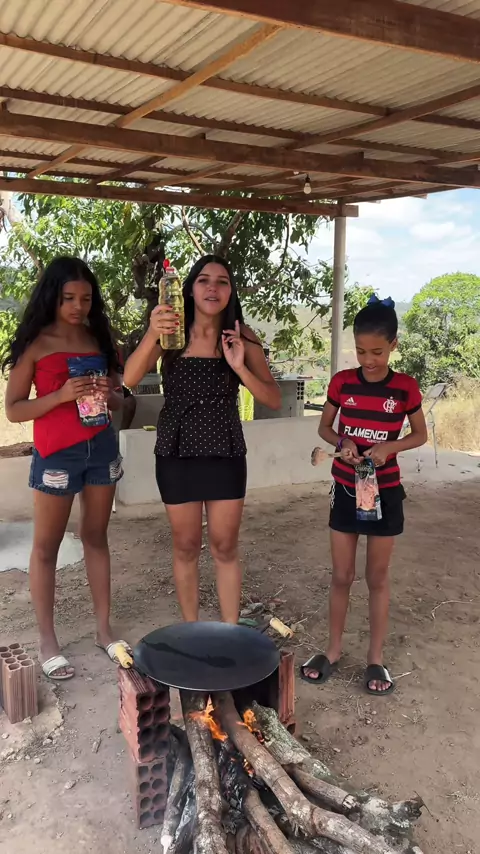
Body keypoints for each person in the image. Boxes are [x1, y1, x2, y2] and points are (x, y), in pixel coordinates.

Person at [123, 255, 281, 624]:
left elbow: (273, 398)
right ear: (189, 290)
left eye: (222, 281)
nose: (213, 288)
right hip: (176, 451)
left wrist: (239, 367)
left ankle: (230, 633)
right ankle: (191, 632)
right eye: (204, 280)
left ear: (231, 291)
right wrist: (151, 332)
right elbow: (129, 379)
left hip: (225, 451)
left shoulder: (242, 337)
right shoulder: (171, 333)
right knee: (186, 545)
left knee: (225, 546)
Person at [3, 256, 128, 681]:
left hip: (101, 449)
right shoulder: (36, 345)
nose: (78, 306)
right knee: (47, 546)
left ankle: (104, 630)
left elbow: (118, 401)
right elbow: (14, 409)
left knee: (96, 537)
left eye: (86, 299)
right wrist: (59, 396)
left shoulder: (99, 340)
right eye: (69, 298)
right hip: (57, 455)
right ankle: (47, 641)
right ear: (52, 297)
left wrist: (110, 393)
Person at [301, 296, 427, 696]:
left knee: (377, 578)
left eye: (377, 352)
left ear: (393, 345)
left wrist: (391, 447)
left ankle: (375, 658)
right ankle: (333, 651)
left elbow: (420, 434)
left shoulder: (405, 388)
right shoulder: (342, 383)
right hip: (345, 488)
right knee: (341, 575)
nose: (368, 360)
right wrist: (343, 442)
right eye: (360, 351)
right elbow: (324, 427)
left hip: (384, 492)